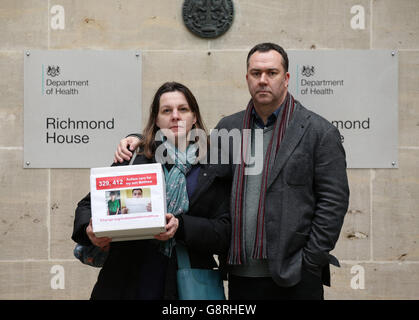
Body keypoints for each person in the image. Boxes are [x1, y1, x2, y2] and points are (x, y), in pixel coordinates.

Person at [114, 43, 350, 300]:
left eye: (271, 73)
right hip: (241, 275)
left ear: (287, 78)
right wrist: (138, 139)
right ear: (246, 78)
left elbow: (333, 202)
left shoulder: (319, 131)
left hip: (295, 274)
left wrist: (310, 260)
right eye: (255, 73)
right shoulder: (229, 128)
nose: (263, 80)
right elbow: (185, 148)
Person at [72, 81, 231, 300]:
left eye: (182, 109)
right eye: (166, 111)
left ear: (194, 117)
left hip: (186, 282)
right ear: (156, 119)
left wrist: (181, 226)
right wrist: (90, 230)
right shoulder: (133, 159)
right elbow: (88, 206)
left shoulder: (214, 167)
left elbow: (225, 231)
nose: (175, 116)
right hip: (127, 281)